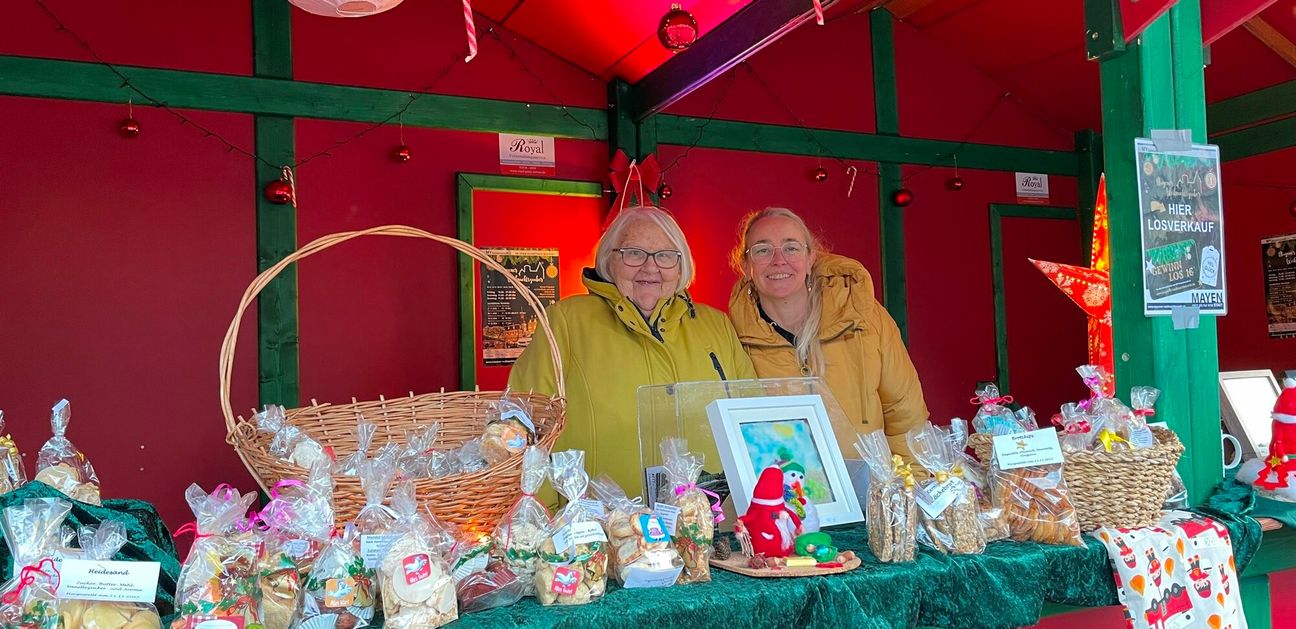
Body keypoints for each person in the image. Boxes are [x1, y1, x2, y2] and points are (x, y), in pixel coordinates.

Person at [509, 206, 756, 494]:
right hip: (600, 527)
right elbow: (522, 425)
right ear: (609, 260)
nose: (650, 268)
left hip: (709, 521)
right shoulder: (565, 320)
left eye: (665, 256)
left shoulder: (716, 325)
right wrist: (547, 516)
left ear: (681, 266)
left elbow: (752, 418)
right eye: (633, 253)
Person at [728, 207, 928, 459]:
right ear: (746, 265)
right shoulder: (732, 336)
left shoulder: (864, 317)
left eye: (791, 248)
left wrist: (909, 489)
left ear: (811, 259)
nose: (779, 260)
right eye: (762, 250)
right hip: (786, 491)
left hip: (873, 492)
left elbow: (906, 416)